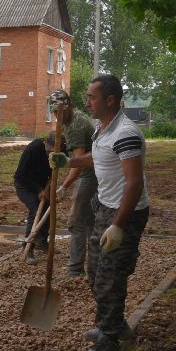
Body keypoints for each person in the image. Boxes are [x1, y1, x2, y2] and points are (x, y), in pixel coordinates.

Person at [50, 73, 150, 351]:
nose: (87, 102)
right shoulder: (103, 129)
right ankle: (116, 326)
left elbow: (134, 183)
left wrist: (118, 225)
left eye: (93, 97)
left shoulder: (126, 133)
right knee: (95, 272)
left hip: (125, 213)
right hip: (105, 208)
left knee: (110, 276)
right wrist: (70, 162)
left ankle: (109, 343)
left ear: (110, 100)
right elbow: (99, 158)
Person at [49, 89, 96, 278]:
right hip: (95, 174)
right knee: (90, 221)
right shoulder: (72, 120)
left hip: (90, 175)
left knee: (76, 222)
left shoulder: (76, 125)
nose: (57, 116)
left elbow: (78, 162)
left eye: (60, 112)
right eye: (54, 113)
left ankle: (75, 269)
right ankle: (95, 266)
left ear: (69, 107)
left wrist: (64, 186)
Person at [12, 132, 55, 258]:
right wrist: (38, 190)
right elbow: (20, 175)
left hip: (42, 185)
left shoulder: (58, 148)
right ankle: (28, 247)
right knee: (36, 210)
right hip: (25, 186)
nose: (51, 152)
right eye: (49, 149)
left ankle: (42, 242)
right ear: (45, 142)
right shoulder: (33, 149)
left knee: (48, 209)